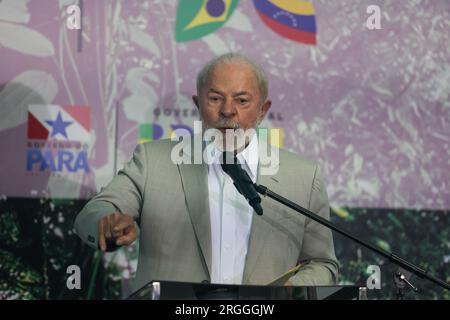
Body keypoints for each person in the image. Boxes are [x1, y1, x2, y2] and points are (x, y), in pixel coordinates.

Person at [74, 53, 338, 290]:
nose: (227, 110)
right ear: (198, 104)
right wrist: (105, 223)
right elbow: (97, 210)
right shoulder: (154, 161)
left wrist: (290, 290)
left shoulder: (303, 176)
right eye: (215, 98)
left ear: (263, 110)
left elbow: (322, 264)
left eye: (242, 100)